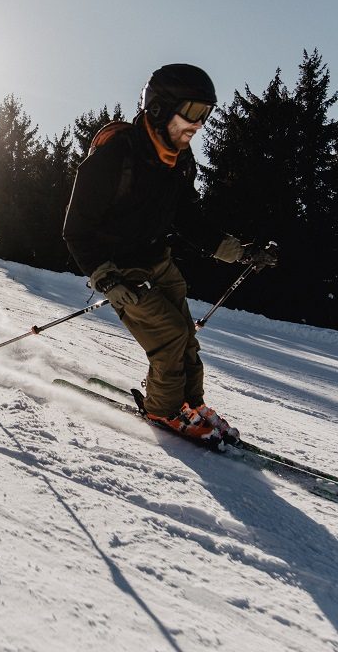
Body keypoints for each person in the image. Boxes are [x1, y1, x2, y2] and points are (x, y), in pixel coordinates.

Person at [62, 63, 276, 448]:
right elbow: (76, 228)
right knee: (169, 336)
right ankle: (163, 408)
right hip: (122, 270)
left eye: (206, 115)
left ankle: (191, 405)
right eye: (192, 112)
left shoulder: (179, 160)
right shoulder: (115, 157)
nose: (199, 124)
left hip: (159, 261)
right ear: (160, 108)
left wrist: (238, 252)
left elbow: (189, 218)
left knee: (187, 340)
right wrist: (106, 278)